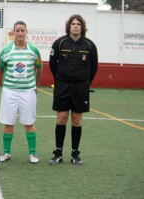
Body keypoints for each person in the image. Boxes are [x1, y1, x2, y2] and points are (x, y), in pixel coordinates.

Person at [48, 14, 98, 165]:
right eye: (73, 24)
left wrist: (85, 83)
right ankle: (58, 153)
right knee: (61, 118)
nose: (75, 26)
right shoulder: (59, 43)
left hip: (81, 87)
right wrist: (59, 79)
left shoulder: (89, 45)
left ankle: (75, 155)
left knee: (77, 120)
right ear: (69, 26)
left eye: (78, 24)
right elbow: (52, 63)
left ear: (82, 27)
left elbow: (94, 67)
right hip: (62, 85)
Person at [0, 21, 42, 164]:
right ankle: (6, 153)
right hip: (9, 91)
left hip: (28, 91)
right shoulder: (6, 50)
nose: (20, 33)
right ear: (14, 32)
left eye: (23, 30)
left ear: (26, 31)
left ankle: (33, 154)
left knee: (28, 123)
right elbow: (1, 67)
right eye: (18, 30)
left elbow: (39, 68)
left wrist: (36, 84)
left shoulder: (34, 50)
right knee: (8, 123)